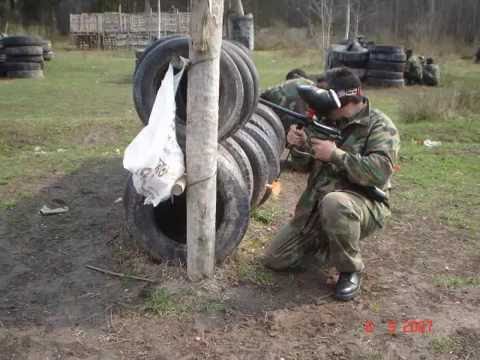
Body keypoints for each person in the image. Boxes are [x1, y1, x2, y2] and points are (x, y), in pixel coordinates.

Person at [262, 67, 400, 301]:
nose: (326, 112)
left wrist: (336, 155)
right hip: (315, 209)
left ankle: (350, 270)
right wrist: (298, 145)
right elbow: (303, 166)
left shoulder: (380, 126)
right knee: (276, 259)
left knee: (335, 204)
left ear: (346, 103)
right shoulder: (329, 121)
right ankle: (330, 243)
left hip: (362, 205)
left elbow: (378, 172)